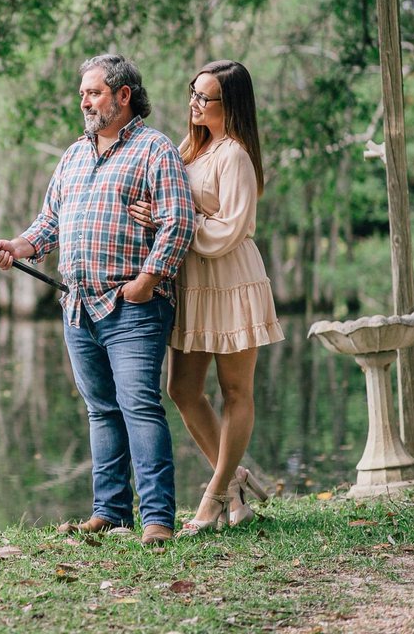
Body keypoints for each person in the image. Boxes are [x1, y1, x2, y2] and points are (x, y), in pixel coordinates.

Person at [0, 54, 196, 547]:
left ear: (123, 95)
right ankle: (111, 512)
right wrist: (18, 246)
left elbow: (178, 221)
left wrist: (149, 278)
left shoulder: (154, 149)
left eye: (94, 92)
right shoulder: (74, 155)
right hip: (77, 306)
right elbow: (50, 223)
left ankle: (158, 519)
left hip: (134, 307)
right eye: (82, 93)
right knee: (101, 409)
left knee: (139, 405)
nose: (84, 100)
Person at [129, 59, 284, 536]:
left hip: (231, 279)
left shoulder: (234, 155)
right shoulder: (189, 150)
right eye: (192, 92)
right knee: (182, 389)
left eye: (205, 96)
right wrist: (158, 216)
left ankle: (215, 493)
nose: (194, 103)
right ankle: (234, 480)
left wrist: (174, 222)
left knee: (236, 391)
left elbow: (231, 228)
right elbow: (177, 206)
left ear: (229, 103)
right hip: (193, 282)